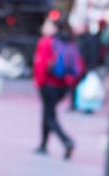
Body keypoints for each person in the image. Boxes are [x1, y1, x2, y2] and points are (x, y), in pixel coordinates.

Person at [33, 14, 81, 158]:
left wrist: (39, 83)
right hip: (62, 85)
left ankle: (66, 141)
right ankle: (43, 144)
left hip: (48, 84)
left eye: (47, 24)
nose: (44, 27)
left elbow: (40, 65)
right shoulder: (67, 41)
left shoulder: (46, 42)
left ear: (54, 28)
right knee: (49, 114)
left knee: (49, 116)